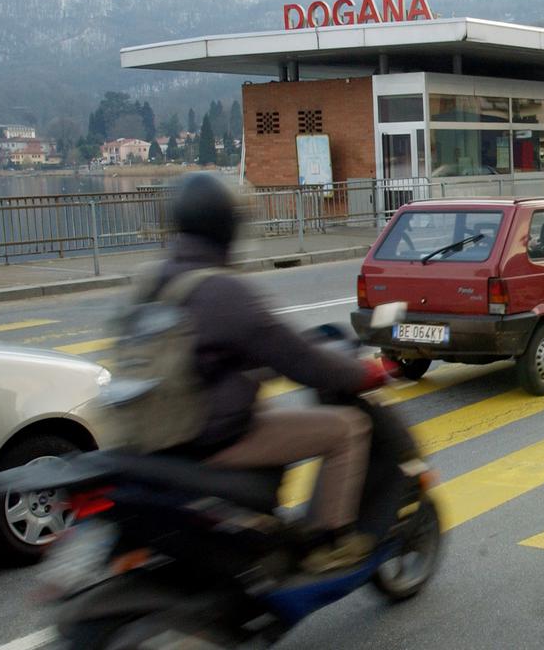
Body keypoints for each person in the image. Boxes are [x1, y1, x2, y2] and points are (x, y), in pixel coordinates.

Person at [154, 173, 387, 573]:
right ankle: (326, 541)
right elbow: (300, 359)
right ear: (226, 228)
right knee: (347, 428)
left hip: (160, 435)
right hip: (210, 435)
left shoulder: (156, 279)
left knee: (277, 419)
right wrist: (362, 374)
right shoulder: (222, 290)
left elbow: (206, 354)